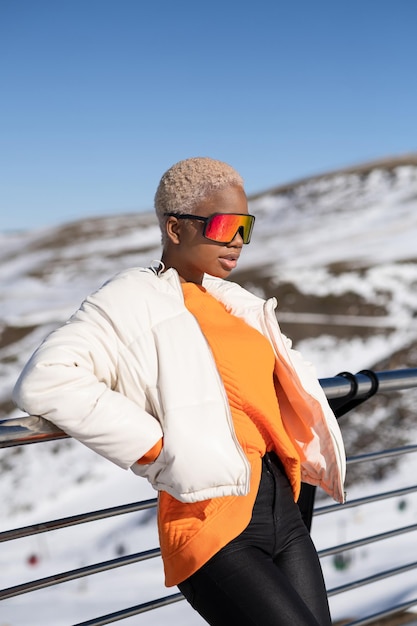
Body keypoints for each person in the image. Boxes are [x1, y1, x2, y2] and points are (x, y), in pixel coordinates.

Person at [13, 157, 346, 626]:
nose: (237, 241)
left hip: (283, 512)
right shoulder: (132, 297)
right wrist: (158, 450)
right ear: (175, 228)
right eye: (225, 225)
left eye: (245, 227)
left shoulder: (233, 302)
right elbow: (47, 379)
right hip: (212, 521)